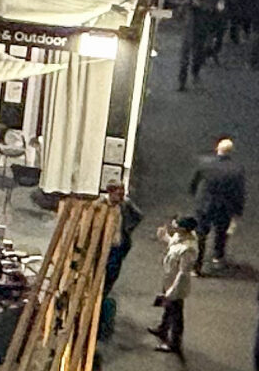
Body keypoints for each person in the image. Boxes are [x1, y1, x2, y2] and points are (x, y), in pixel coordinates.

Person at [189, 137, 248, 270]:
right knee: (221, 232)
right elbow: (239, 191)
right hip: (224, 207)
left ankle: (198, 263)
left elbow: (195, 182)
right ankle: (217, 256)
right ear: (231, 152)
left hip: (205, 204)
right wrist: (238, 210)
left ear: (217, 149)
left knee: (201, 234)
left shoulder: (205, 163)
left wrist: (195, 195)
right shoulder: (237, 169)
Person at [152, 218, 196, 357]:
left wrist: (172, 290)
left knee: (176, 313)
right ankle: (163, 328)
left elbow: (183, 272)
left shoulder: (189, 249)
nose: (174, 228)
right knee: (168, 308)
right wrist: (164, 236)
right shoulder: (179, 236)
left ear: (184, 230)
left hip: (177, 285)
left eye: (177, 227)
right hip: (169, 279)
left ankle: (175, 343)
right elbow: (172, 242)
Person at [101, 181, 144, 287]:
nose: (121, 197)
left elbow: (139, 215)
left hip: (118, 243)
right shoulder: (102, 203)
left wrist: (128, 228)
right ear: (110, 192)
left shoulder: (125, 203)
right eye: (118, 194)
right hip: (103, 242)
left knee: (113, 271)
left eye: (122, 194)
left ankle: (106, 289)